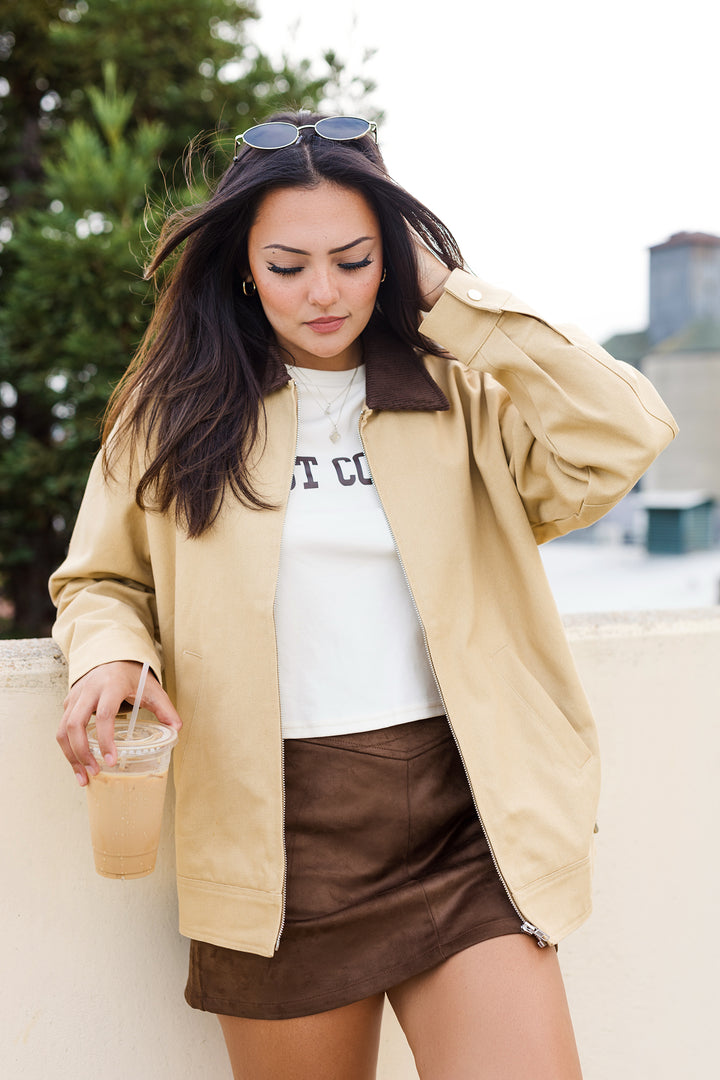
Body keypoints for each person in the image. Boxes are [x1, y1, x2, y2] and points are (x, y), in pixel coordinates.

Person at [50, 111, 677, 1080]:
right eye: (289, 265)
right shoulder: (173, 410)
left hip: (466, 828)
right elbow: (101, 576)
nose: (324, 292)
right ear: (244, 267)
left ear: (392, 258)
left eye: (353, 258)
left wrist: (452, 300)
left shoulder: (459, 396)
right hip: (275, 850)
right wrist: (111, 654)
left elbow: (624, 431)